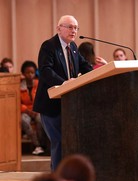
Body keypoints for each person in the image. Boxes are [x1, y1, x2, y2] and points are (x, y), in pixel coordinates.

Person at [33, 15, 93, 171]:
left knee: (69, 142)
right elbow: (45, 71)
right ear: (59, 28)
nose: (74, 31)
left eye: (76, 28)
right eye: (70, 27)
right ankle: (58, 180)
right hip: (51, 104)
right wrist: (63, 83)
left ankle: (65, 177)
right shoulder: (49, 46)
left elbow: (85, 67)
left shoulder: (73, 47)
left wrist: (103, 72)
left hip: (69, 104)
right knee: (59, 141)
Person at [20, 60, 46, 155]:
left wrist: (37, 109)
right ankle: (36, 145)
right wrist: (26, 110)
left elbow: (43, 98)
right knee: (23, 120)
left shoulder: (39, 84)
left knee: (40, 119)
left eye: (32, 72)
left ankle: (43, 145)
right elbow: (17, 103)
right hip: (25, 111)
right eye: (27, 72)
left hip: (37, 110)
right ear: (23, 73)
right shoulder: (20, 86)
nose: (30, 75)